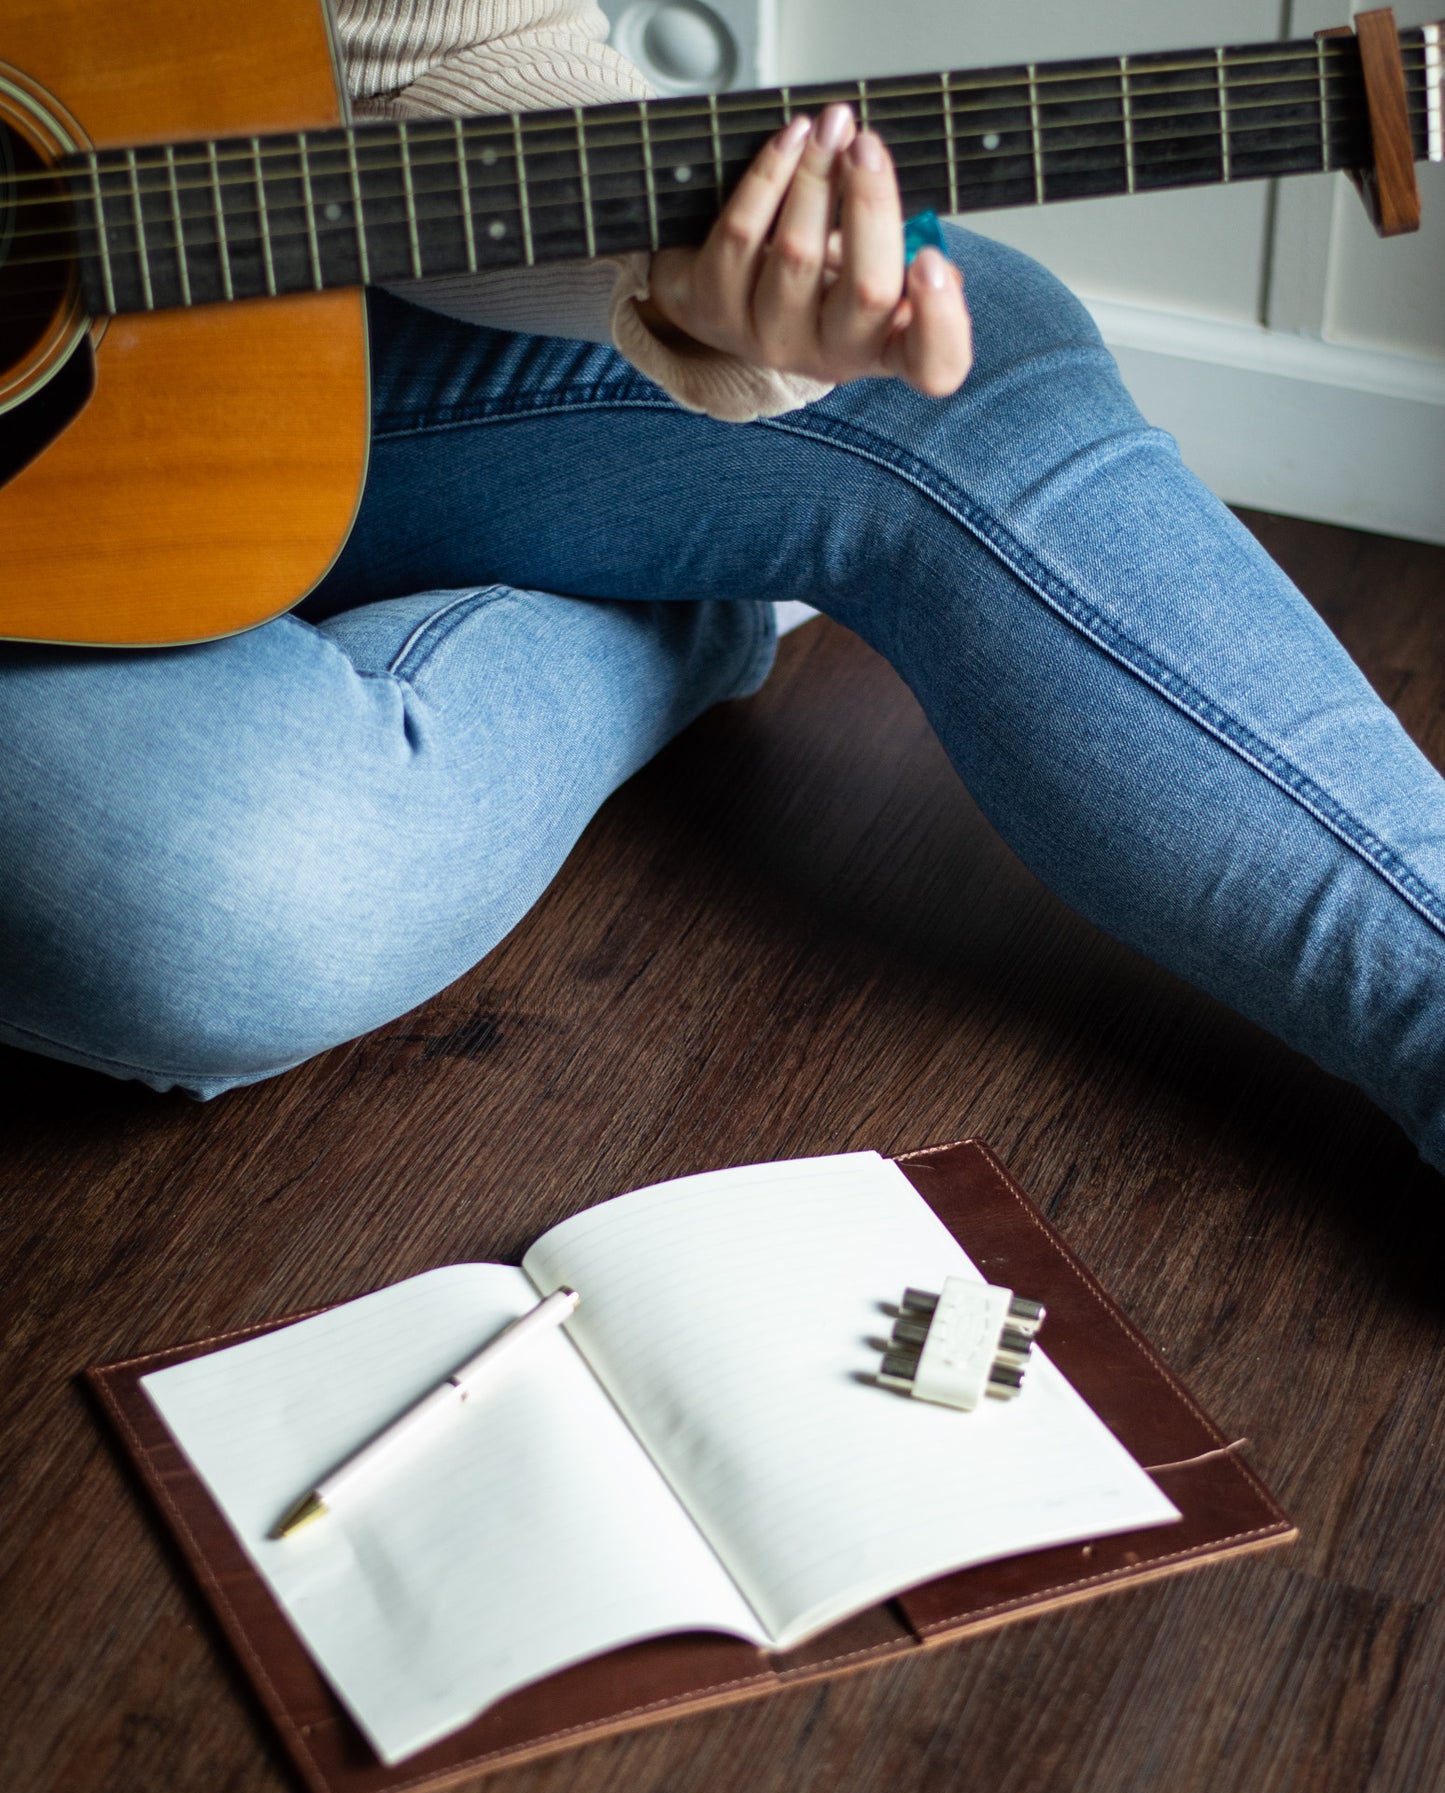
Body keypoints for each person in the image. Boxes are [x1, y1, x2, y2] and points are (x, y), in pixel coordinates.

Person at [3, 0, 1444, 1177]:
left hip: (210, 303)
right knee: (226, 901)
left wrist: (671, 278)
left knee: (964, 353)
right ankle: (686, 589)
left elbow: (430, 59)